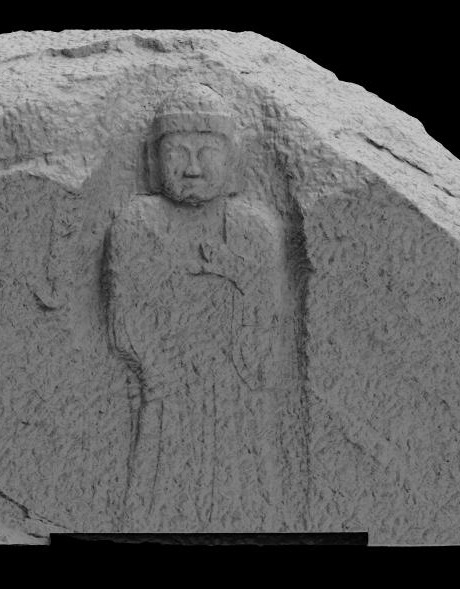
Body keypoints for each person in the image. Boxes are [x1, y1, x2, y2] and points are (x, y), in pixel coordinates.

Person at [105, 83, 289, 531]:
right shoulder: (138, 223)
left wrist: (235, 273)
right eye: (177, 153)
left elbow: (267, 317)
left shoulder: (253, 228)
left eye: (207, 153)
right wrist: (159, 369)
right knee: (162, 485)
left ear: (233, 159)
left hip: (236, 388)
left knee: (243, 491)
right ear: (153, 160)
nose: (191, 168)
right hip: (167, 383)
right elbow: (126, 315)